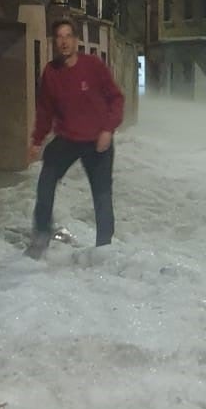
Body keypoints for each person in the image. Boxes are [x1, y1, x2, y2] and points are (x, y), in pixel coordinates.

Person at [27, 19, 125, 255]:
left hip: (97, 140)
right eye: (59, 37)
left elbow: (116, 98)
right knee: (46, 179)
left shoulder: (93, 66)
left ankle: (104, 247)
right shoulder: (51, 72)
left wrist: (107, 130)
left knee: (101, 193)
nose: (64, 42)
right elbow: (45, 111)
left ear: (76, 40)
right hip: (68, 139)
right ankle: (41, 234)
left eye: (68, 36)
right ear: (54, 42)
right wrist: (37, 140)